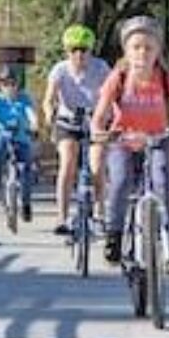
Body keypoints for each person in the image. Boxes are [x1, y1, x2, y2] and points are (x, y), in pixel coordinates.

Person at [91, 16, 169, 275]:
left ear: (157, 51)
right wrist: (99, 130)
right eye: (136, 47)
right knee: (119, 182)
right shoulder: (117, 77)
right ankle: (114, 236)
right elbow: (100, 114)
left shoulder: (166, 77)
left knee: (163, 184)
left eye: (148, 47)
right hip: (123, 140)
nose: (142, 53)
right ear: (126, 51)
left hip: (157, 139)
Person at [41, 24, 112, 237]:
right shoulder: (60, 70)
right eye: (74, 50)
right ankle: (61, 217)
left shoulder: (101, 68)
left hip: (95, 121)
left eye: (84, 50)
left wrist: (109, 115)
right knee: (68, 164)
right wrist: (48, 113)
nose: (79, 55)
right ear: (67, 51)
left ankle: (100, 213)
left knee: (97, 166)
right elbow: (49, 98)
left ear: (91, 51)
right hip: (68, 122)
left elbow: (111, 95)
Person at [0, 70, 39, 216]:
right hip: (0, 134)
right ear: (1, 86)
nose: (9, 87)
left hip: (21, 137)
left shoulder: (24, 98)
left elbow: (30, 113)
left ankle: (26, 203)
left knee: (27, 167)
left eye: (12, 84)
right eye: (5, 84)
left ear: (17, 85)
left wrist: (33, 124)